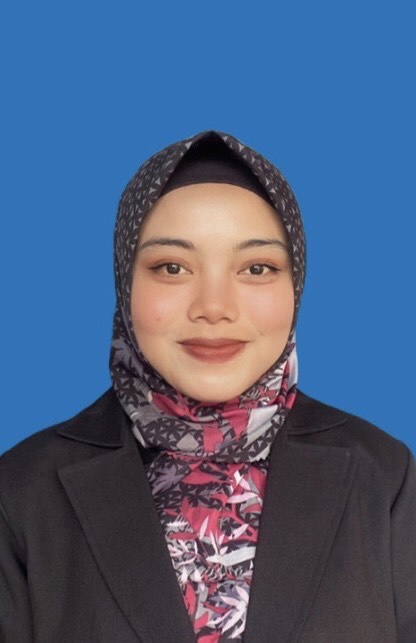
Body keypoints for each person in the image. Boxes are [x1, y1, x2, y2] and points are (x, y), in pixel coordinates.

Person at [0, 130, 415, 642]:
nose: (214, 307)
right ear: (125, 282)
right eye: (172, 268)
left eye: (257, 268)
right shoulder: (21, 492)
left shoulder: (385, 478)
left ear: (296, 284)